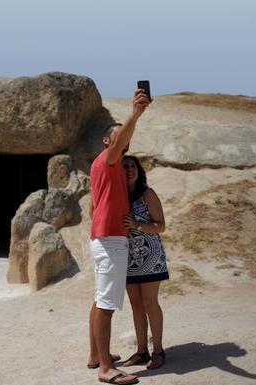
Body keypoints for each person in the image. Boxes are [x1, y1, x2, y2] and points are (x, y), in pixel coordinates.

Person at [87, 89, 151, 385]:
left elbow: (92, 206)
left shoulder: (103, 167)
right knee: (107, 304)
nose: (125, 140)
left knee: (99, 299)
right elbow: (120, 140)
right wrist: (136, 113)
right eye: (120, 136)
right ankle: (105, 369)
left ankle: (95, 356)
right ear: (108, 141)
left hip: (103, 237)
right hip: (110, 240)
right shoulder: (109, 158)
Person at [120, 155, 169, 370]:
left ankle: (158, 350)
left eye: (133, 166)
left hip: (150, 257)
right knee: (135, 304)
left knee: (150, 303)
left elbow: (161, 226)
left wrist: (138, 225)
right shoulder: (119, 195)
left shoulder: (148, 194)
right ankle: (141, 351)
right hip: (127, 258)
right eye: (125, 167)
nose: (129, 169)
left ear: (139, 171)